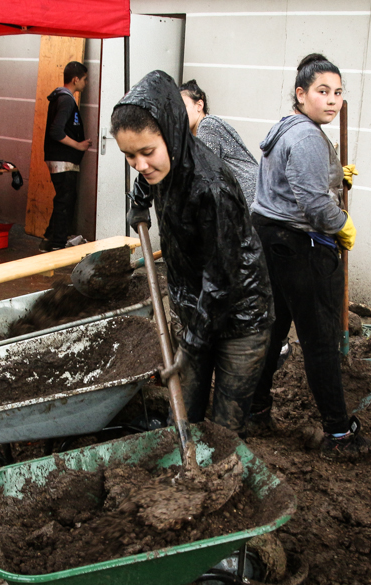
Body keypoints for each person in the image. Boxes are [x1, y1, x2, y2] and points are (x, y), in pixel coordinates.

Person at [113, 70, 273, 437]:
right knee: (183, 413)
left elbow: (220, 281)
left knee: (222, 428)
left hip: (240, 317)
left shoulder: (211, 188)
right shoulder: (160, 166)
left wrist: (192, 344)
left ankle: (215, 477)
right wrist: (138, 205)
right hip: (196, 307)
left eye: (147, 152)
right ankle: (181, 465)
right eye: (129, 155)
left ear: (171, 133)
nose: (140, 164)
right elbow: (142, 179)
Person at [247, 53, 364, 459]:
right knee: (319, 341)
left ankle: (254, 410)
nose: (332, 101)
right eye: (322, 92)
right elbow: (314, 206)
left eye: (338, 93)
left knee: (274, 330)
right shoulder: (308, 137)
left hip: (270, 241)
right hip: (300, 247)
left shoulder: (287, 127)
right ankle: (339, 435)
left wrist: (333, 175)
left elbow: (291, 180)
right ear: (301, 93)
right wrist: (341, 223)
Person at [179, 79, 259, 206]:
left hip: (247, 192)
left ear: (199, 105)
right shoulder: (195, 135)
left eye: (183, 107)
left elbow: (205, 175)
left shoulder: (207, 125)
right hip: (241, 194)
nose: (180, 114)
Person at [42, 60, 90, 252]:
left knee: (65, 198)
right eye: (85, 79)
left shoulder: (61, 98)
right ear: (75, 79)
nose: (86, 83)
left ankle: (49, 238)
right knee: (65, 200)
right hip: (63, 160)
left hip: (60, 158)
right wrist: (78, 145)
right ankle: (57, 244)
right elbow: (56, 131)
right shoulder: (66, 100)